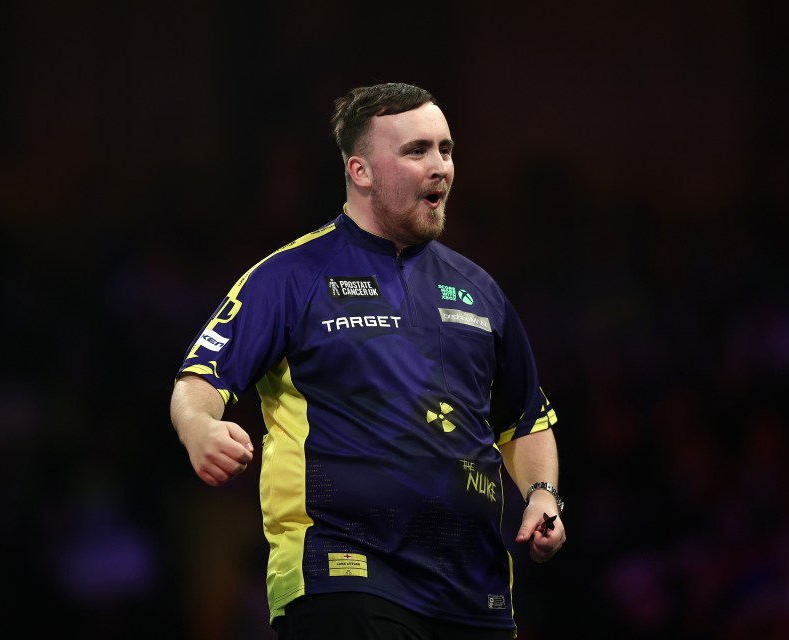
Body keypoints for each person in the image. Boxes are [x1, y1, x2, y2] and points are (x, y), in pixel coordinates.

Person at [170, 82, 566, 640]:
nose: (440, 168)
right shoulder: (289, 276)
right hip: (341, 575)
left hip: (473, 591)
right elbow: (198, 379)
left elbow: (524, 418)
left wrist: (543, 497)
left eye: (446, 149)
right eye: (416, 151)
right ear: (360, 171)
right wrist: (199, 428)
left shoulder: (480, 292)